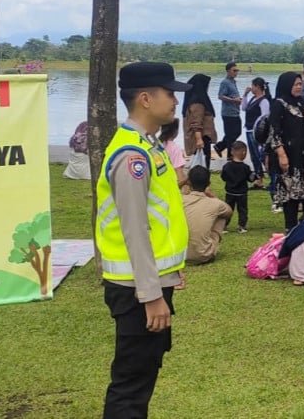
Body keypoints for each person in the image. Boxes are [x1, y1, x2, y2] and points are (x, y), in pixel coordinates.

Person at [95, 62, 191, 417]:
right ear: (146, 99)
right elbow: (135, 230)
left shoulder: (149, 146)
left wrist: (170, 272)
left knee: (144, 372)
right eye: (170, 93)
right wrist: (151, 295)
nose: (175, 101)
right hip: (136, 289)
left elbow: (161, 220)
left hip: (148, 282)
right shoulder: (132, 156)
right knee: (131, 383)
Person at [270, 71, 304, 228]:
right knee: (291, 196)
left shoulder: (303, 101)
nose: (299, 87)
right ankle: (291, 228)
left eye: (301, 84)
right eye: (296, 84)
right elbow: (274, 131)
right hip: (290, 156)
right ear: (287, 86)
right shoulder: (279, 104)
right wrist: (281, 154)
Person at [182, 166, 232, 265]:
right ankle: (207, 245)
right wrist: (212, 195)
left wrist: (182, 183)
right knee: (221, 216)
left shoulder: (179, 199)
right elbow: (229, 212)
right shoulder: (215, 204)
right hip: (204, 255)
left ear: (188, 182)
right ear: (208, 184)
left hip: (178, 255)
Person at [181, 73, 217, 164]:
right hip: (201, 137)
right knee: (203, 162)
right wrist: (199, 139)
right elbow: (196, 122)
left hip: (203, 136)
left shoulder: (196, 99)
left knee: (203, 161)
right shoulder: (198, 102)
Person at [243, 77, 272, 184]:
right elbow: (244, 108)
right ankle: (259, 178)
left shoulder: (264, 100)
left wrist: (258, 129)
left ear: (257, 87)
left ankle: (270, 174)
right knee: (254, 155)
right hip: (249, 129)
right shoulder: (253, 99)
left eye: (253, 86)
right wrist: (245, 95)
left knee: (260, 154)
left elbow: (264, 117)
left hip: (257, 132)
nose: (251, 88)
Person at [220, 141, 252, 233]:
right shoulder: (246, 167)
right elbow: (250, 178)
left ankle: (224, 226)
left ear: (231, 152)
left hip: (230, 192)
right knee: (242, 210)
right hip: (242, 193)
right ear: (244, 152)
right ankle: (241, 226)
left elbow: (223, 177)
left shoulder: (226, 166)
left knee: (228, 209)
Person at [214, 62, 243, 158]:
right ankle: (230, 155)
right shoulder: (225, 82)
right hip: (228, 113)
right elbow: (220, 96)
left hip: (235, 111)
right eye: (234, 70)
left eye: (237, 70)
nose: (236, 72)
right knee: (230, 134)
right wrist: (233, 100)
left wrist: (239, 99)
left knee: (237, 132)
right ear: (228, 71)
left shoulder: (233, 82)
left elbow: (232, 95)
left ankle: (220, 146)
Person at [158, 120, 189, 191]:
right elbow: (179, 172)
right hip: (171, 187)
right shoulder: (175, 148)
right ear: (175, 131)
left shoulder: (155, 145)